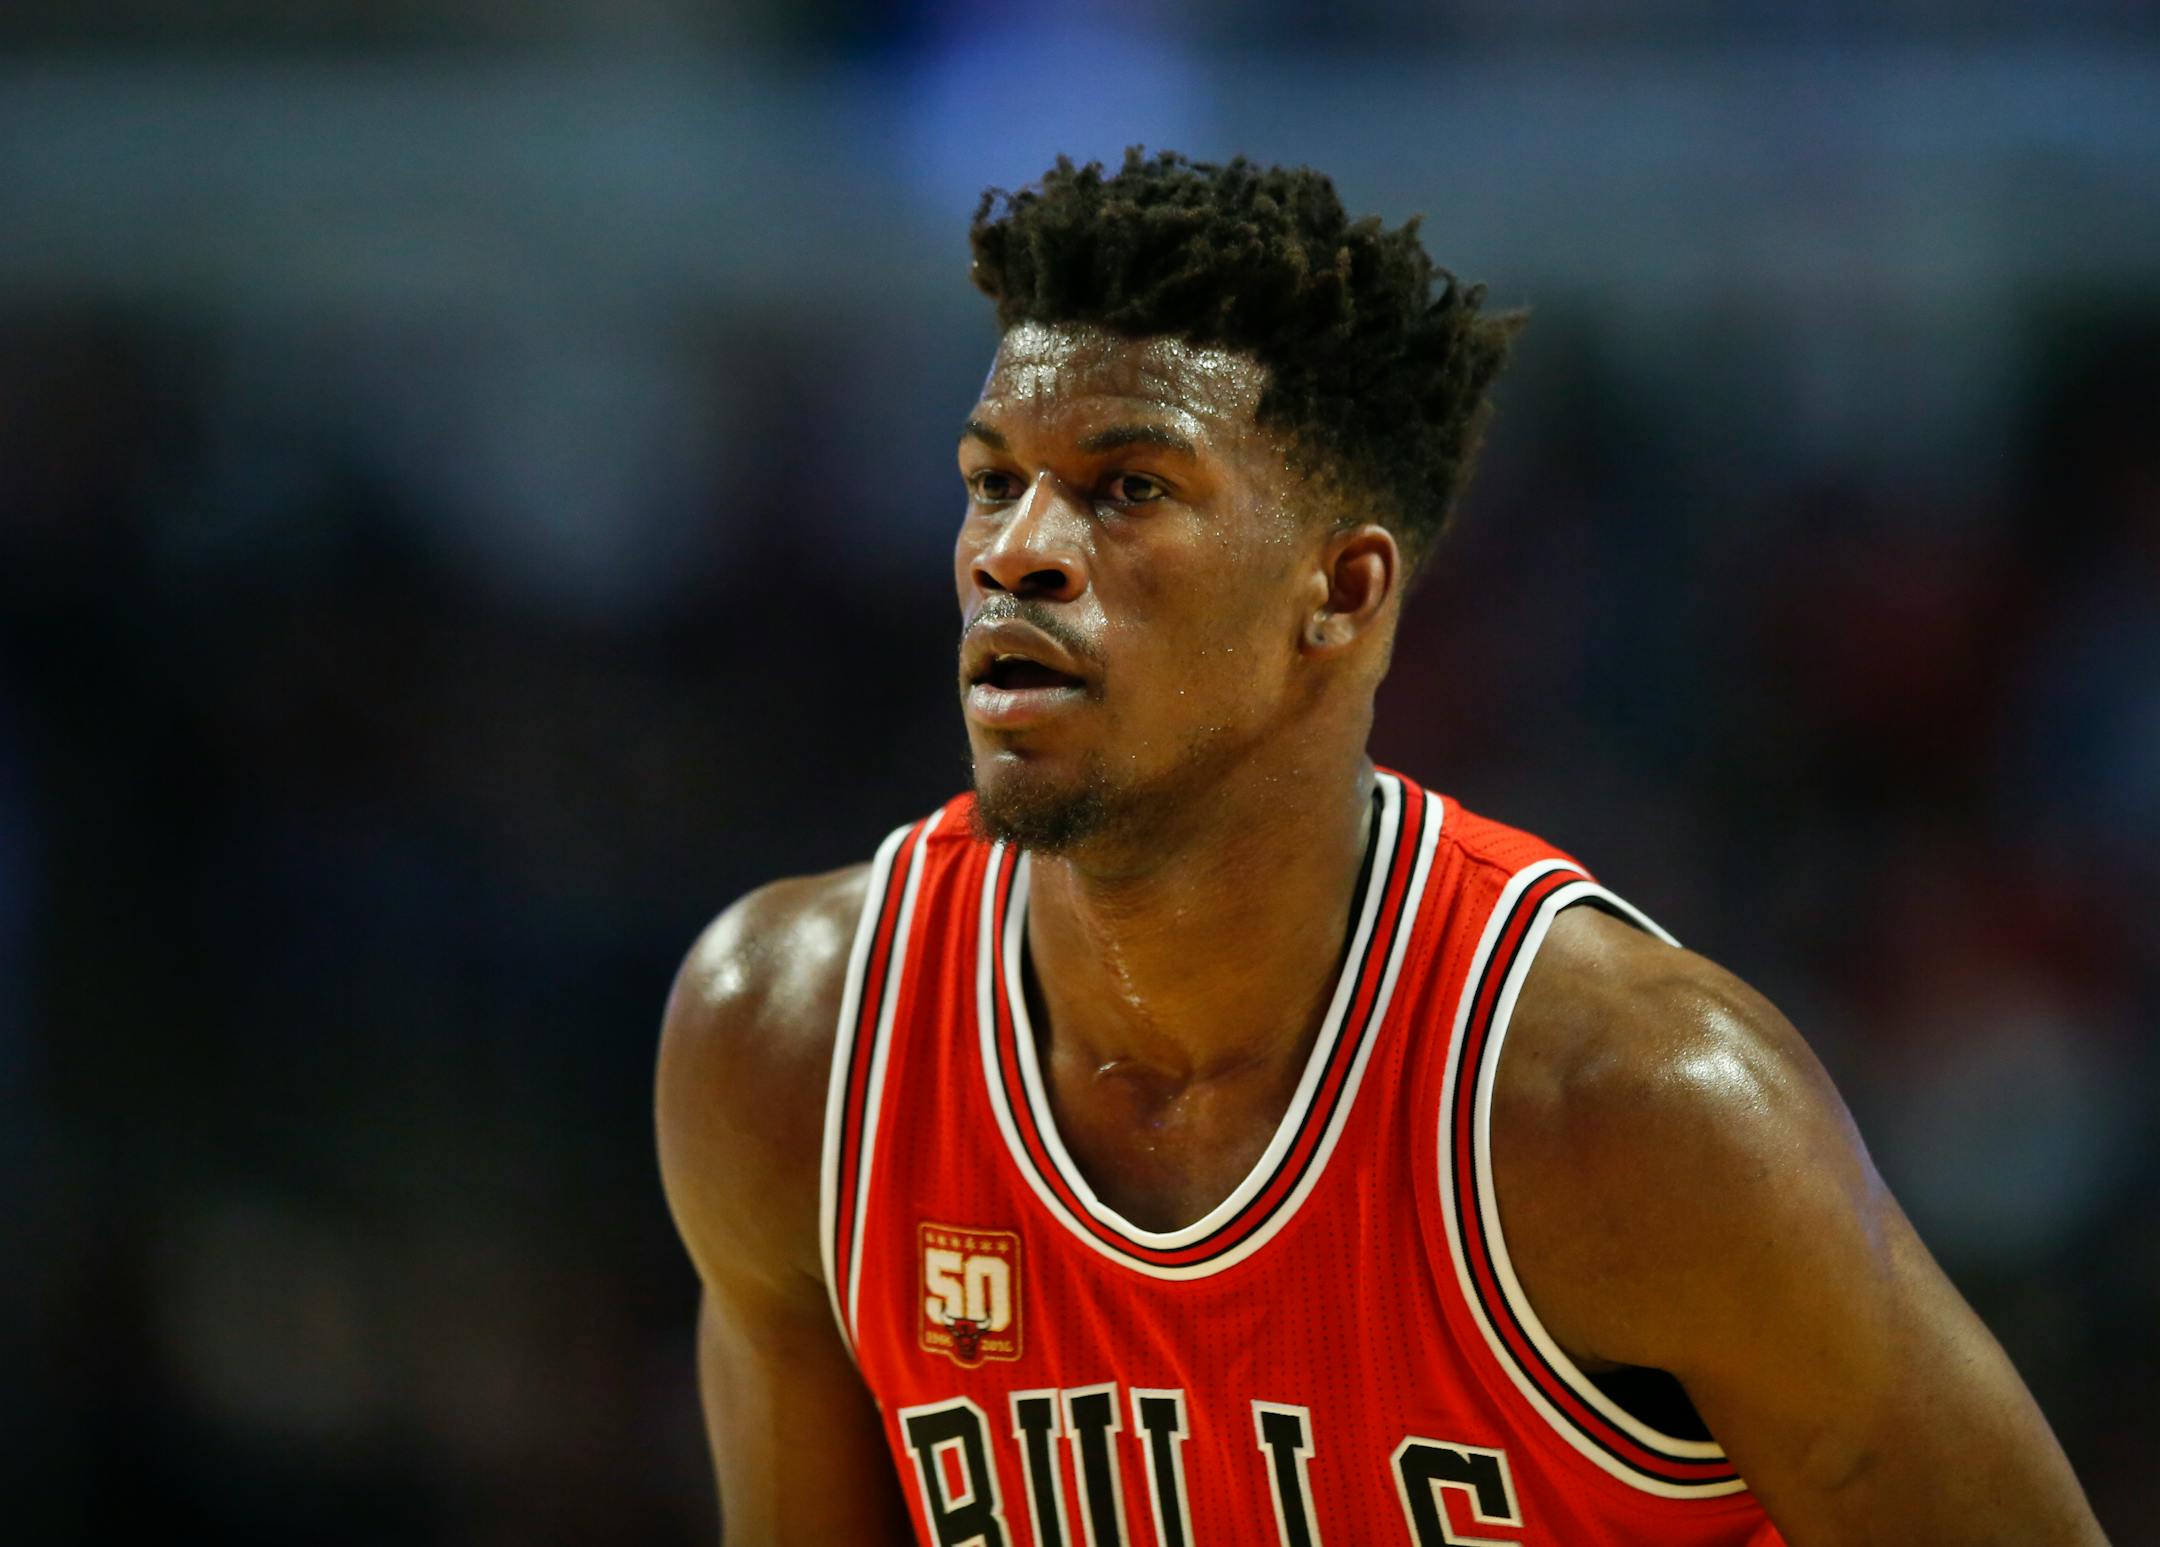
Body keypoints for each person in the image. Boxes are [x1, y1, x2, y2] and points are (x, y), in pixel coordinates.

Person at [655, 150, 2108, 1546]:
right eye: (991, 480)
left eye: (1129, 488)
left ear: (1340, 592)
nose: (1015, 548)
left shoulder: (1636, 1114)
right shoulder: (792, 1044)